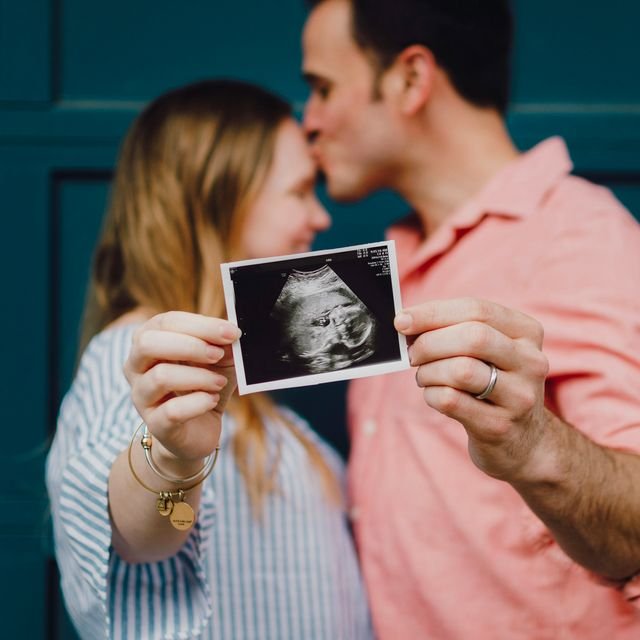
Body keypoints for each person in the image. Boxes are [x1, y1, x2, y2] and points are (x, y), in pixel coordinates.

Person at [301, 0, 640, 638]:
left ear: (410, 79)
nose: (308, 123)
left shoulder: (579, 238)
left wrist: (533, 443)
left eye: (322, 88)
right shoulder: (386, 265)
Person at [46, 79, 372, 640]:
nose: (319, 218)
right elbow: (138, 535)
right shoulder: (137, 362)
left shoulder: (243, 392)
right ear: (217, 200)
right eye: (298, 191)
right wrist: (172, 457)